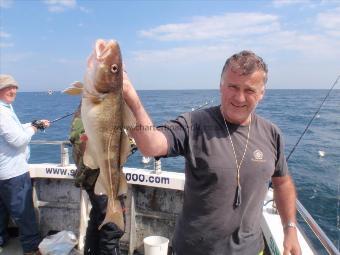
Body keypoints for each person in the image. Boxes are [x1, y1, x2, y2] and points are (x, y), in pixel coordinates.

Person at [122, 51, 302, 255]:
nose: (239, 97)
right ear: (221, 86)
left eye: (249, 90)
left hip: (251, 250)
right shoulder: (194, 124)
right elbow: (151, 145)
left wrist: (290, 229)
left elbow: (282, 182)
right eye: (232, 86)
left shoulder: (272, 133)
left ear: (262, 93)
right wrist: (131, 99)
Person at [69, 102, 136, 255]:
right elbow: (81, 139)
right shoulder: (92, 108)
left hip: (96, 178)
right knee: (113, 227)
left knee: (97, 220)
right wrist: (128, 144)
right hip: (97, 178)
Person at [0, 74, 50, 255]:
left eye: (15, 87)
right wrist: (35, 129)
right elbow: (17, 139)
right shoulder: (2, 111)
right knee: (24, 213)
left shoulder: (5, 108)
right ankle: (31, 248)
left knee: (2, 212)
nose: (13, 90)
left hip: (3, 174)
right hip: (13, 174)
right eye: (8, 87)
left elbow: (13, 130)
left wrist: (32, 123)